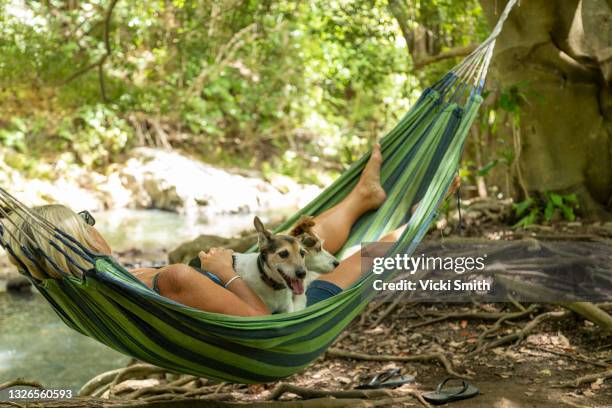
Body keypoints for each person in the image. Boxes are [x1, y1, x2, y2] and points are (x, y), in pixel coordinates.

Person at [6, 144, 458, 317]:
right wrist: (226, 270)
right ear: (81, 241)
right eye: (87, 221)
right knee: (364, 257)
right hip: (290, 309)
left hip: (273, 286)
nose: (95, 222)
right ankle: (419, 216)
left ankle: (363, 197)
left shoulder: (84, 293)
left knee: (293, 245)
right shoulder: (172, 278)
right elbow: (263, 326)